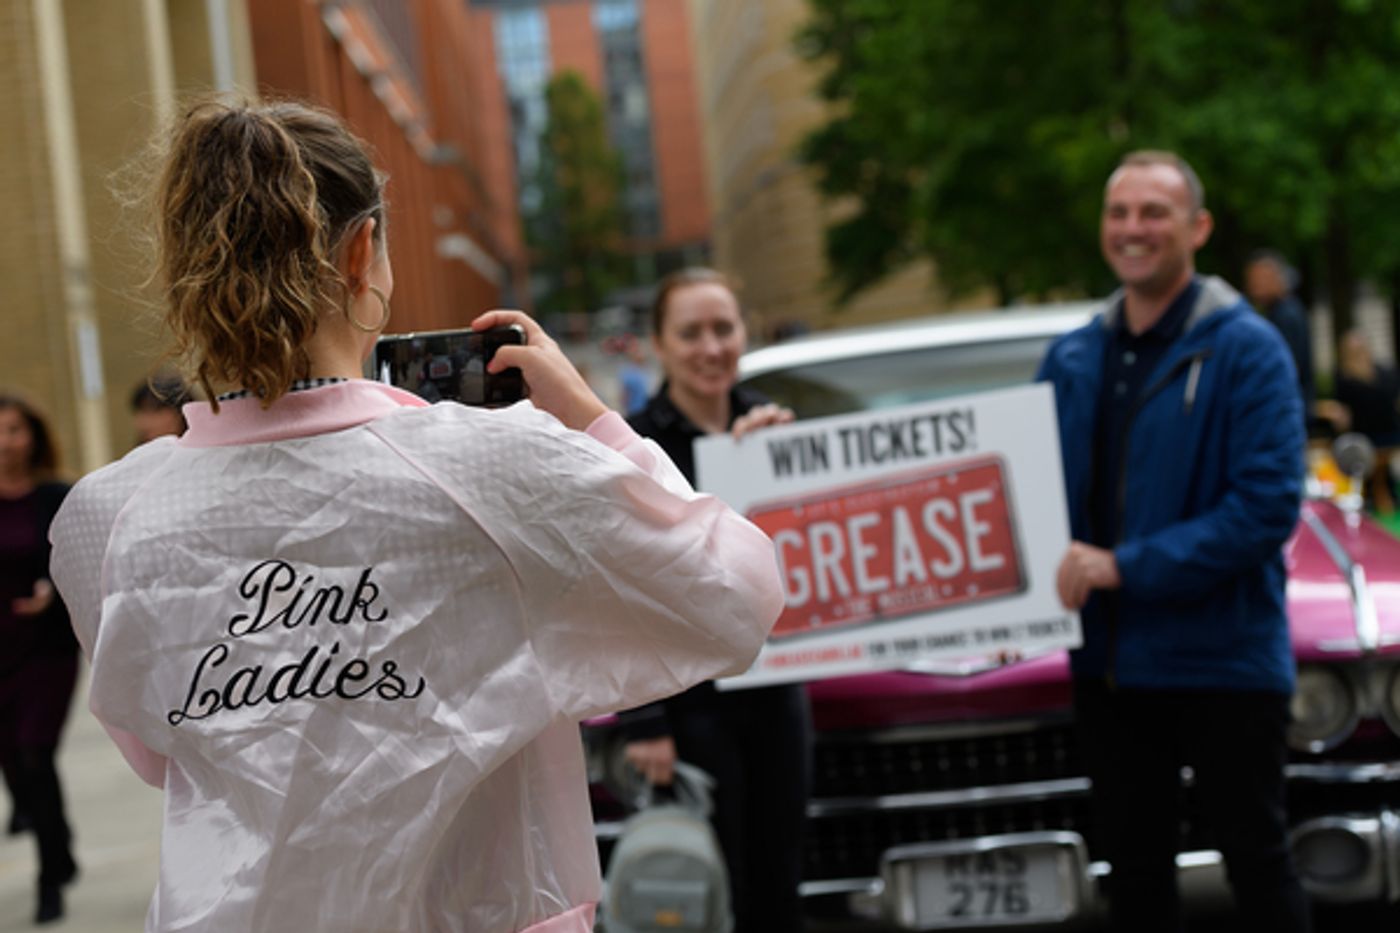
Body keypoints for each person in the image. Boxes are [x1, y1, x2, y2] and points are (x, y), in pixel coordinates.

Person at [47, 99, 783, 933]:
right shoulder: (495, 464)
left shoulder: (104, 515)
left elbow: (162, 749)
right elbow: (733, 593)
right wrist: (595, 423)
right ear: (364, 252)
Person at [1036, 151, 1310, 932]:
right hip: (1114, 672)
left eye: (1153, 212)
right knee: (1136, 878)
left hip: (1225, 661)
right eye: (1119, 212)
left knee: (1256, 862)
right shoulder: (1072, 355)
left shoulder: (1248, 349)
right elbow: (1019, 492)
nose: (1133, 229)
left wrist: (1124, 567)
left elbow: (1264, 508)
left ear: (1198, 227)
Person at [619, 267, 810, 933]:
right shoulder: (632, 443)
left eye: (723, 329)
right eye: (690, 332)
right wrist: (644, 718)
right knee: (705, 891)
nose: (710, 346)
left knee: (779, 877)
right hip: (690, 700)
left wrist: (790, 457)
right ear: (659, 345)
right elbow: (618, 581)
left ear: (744, 334)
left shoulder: (774, 428)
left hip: (777, 691)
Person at [0, 392, 80, 924]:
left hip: (47, 649)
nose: (6, 443)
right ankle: (58, 839)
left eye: (15, 430)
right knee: (14, 762)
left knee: (34, 753)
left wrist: (53, 586)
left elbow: (79, 558)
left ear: (34, 434)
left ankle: (50, 877)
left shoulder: (58, 496)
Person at [1244, 249, 1314, 411]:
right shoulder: (1282, 311)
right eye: (1252, 279)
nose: (1255, 285)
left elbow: (1287, 368)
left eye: (1262, 278)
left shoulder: (1285, 316)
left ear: (1278, 278)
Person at [1329, 328, 1400, 447]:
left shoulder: (1385, 372)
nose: (1359, 355)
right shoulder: (1343, 378)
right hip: (1363, 440)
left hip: (1391, 434)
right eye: (1354, 352)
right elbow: (1342, 413)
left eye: (1361, 349)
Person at [129, 374, 191, 445]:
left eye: (153, 412)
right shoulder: (139, 454)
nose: (143, 423)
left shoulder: (200, 452)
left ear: (179, 414)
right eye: (141, 412)